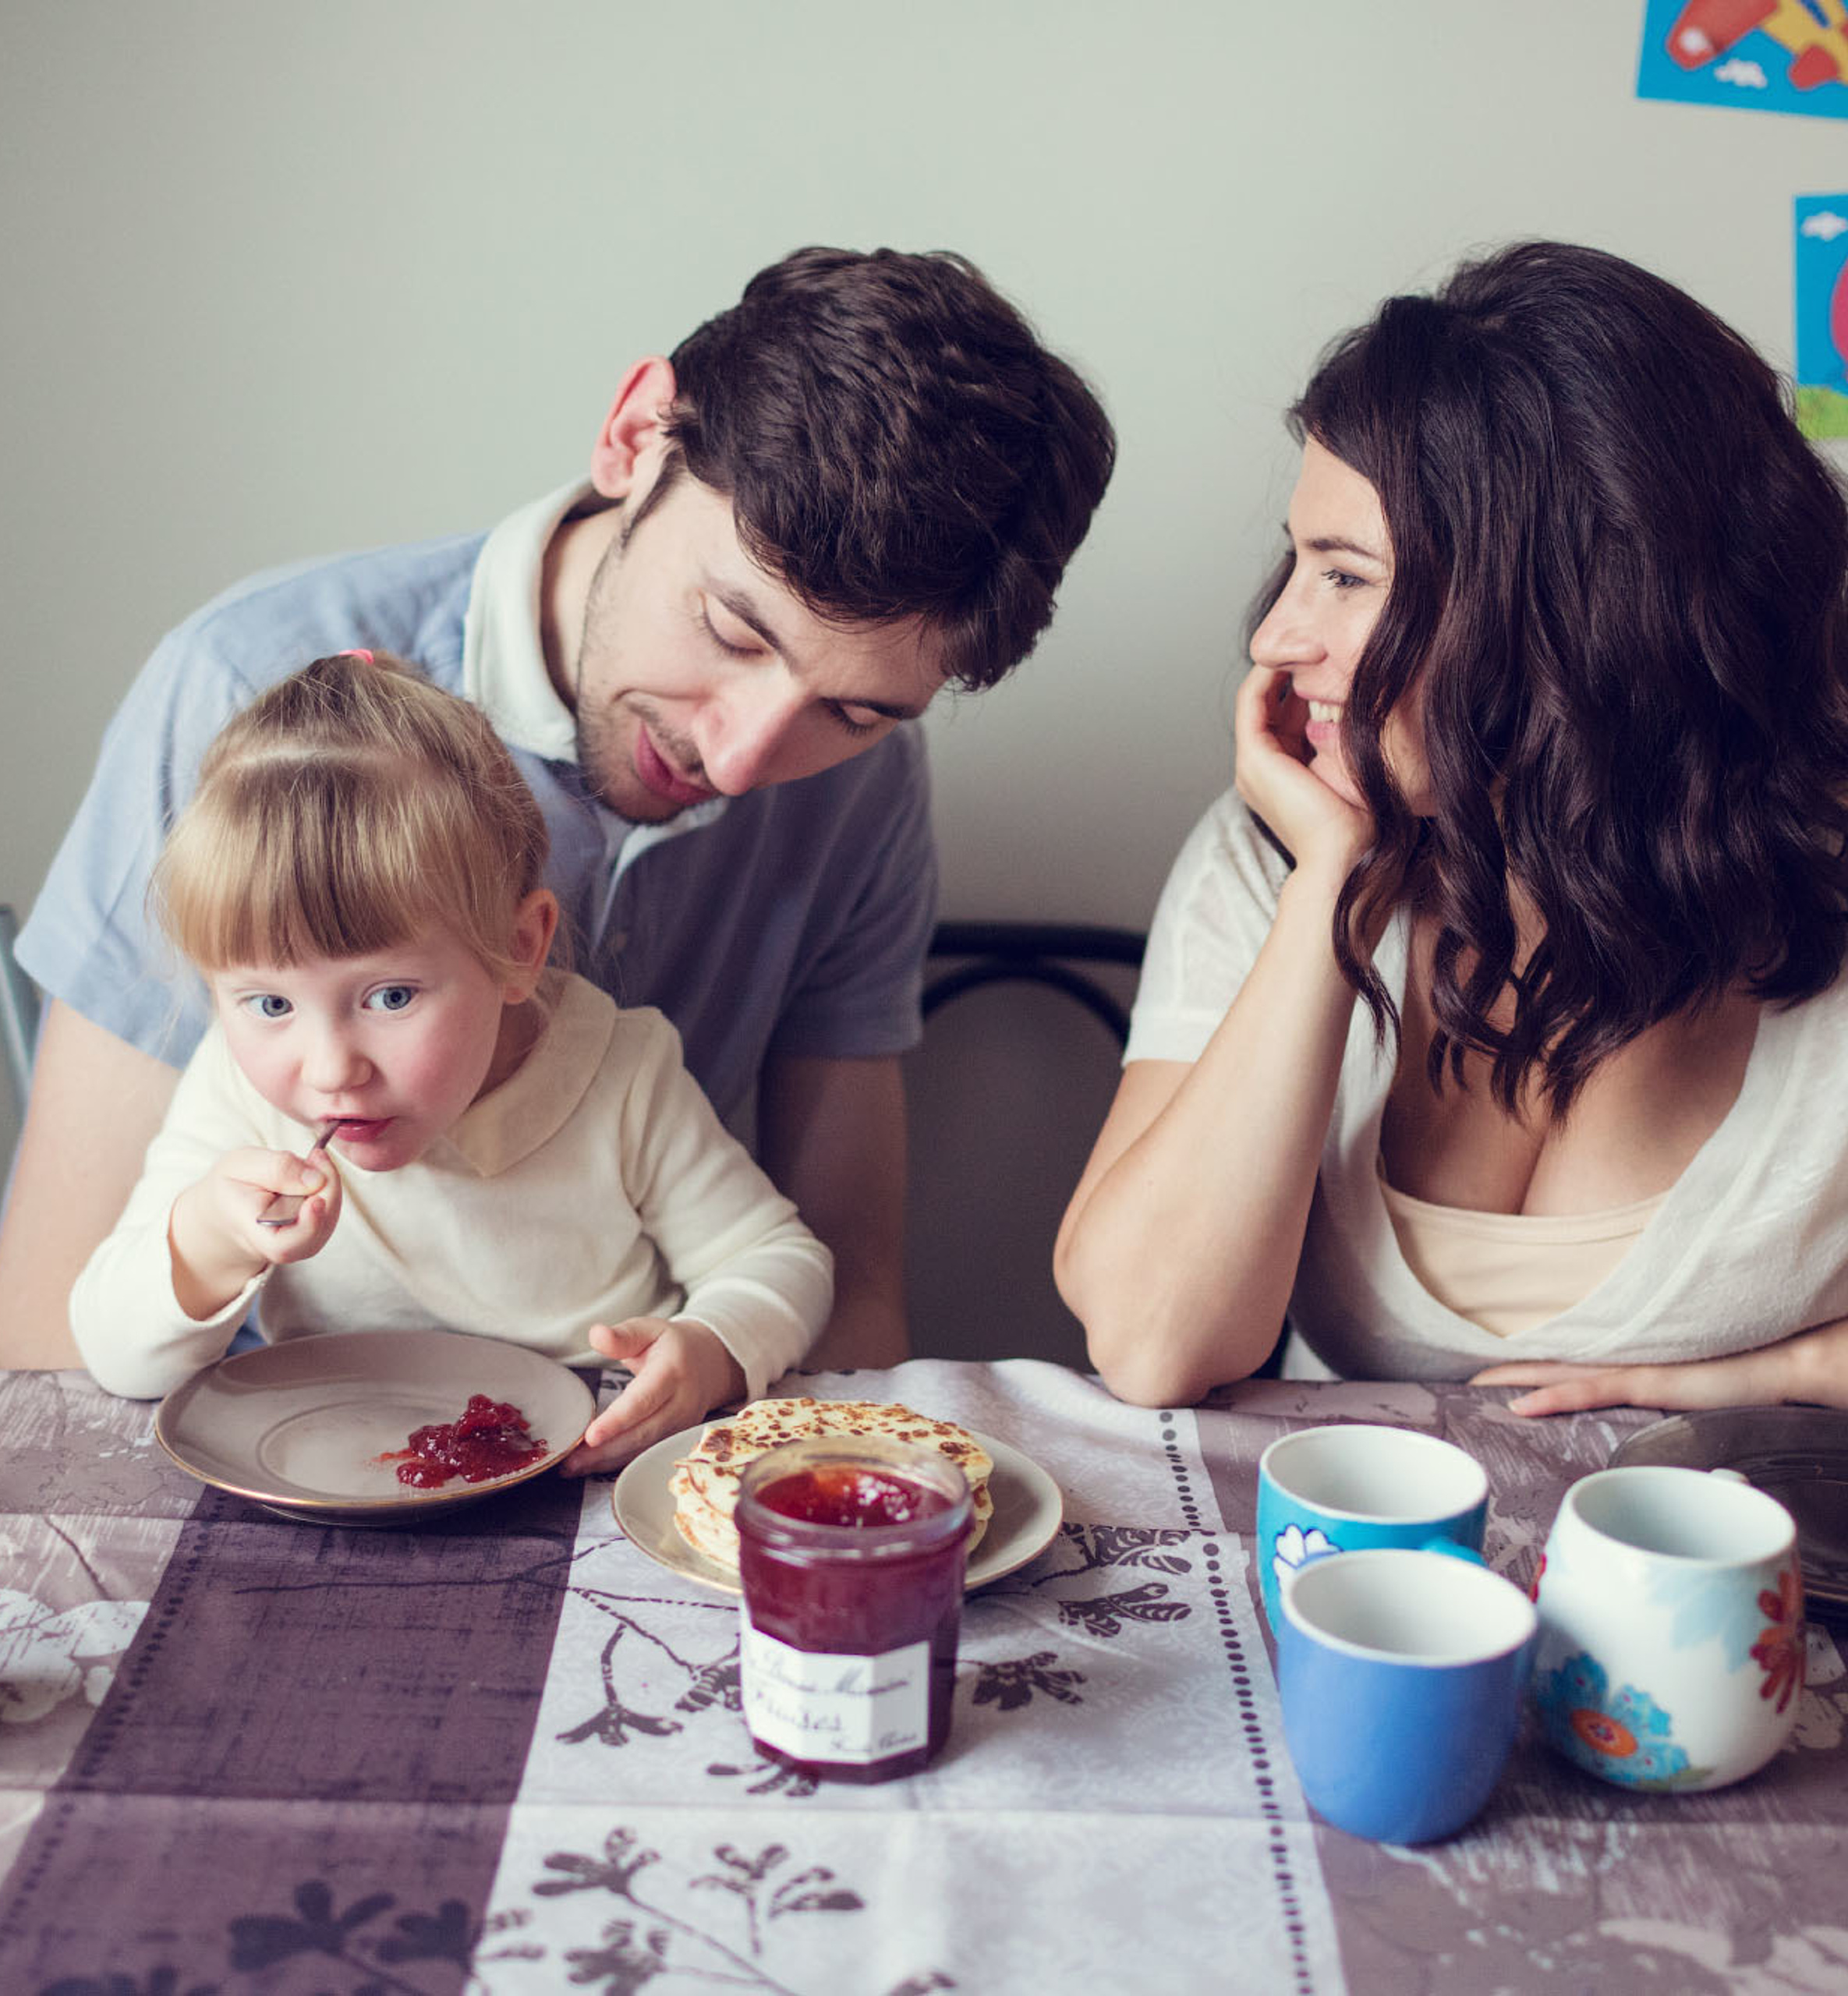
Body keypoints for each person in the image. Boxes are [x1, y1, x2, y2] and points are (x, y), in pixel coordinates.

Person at [7, 246, 1116, 1373]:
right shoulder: (245, 696)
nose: (739, 762)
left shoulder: (862, 784)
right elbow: (49, 1334)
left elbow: (849, 1294)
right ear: (636, 437)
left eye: (854, 711)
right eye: (732, 632)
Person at [1054, 239, 1848, 1436]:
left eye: (1346, 577)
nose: (1276, 637)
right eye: (1298, 562)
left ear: (1573, 613)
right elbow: (1155, 1344)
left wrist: (1812, 1365)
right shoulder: (1278, 850)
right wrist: (1328, 886)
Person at [73, 653, 833, 1476]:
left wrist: (710, 1350)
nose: (330, 1069)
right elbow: (119, 1359)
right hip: (339, 1476)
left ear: (519, 948)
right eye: (269, 1004)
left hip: (589, 1473)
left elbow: (782, 1261)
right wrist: (210, 1241)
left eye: (391, 996)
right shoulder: (236, 1088)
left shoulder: (619, 1072)